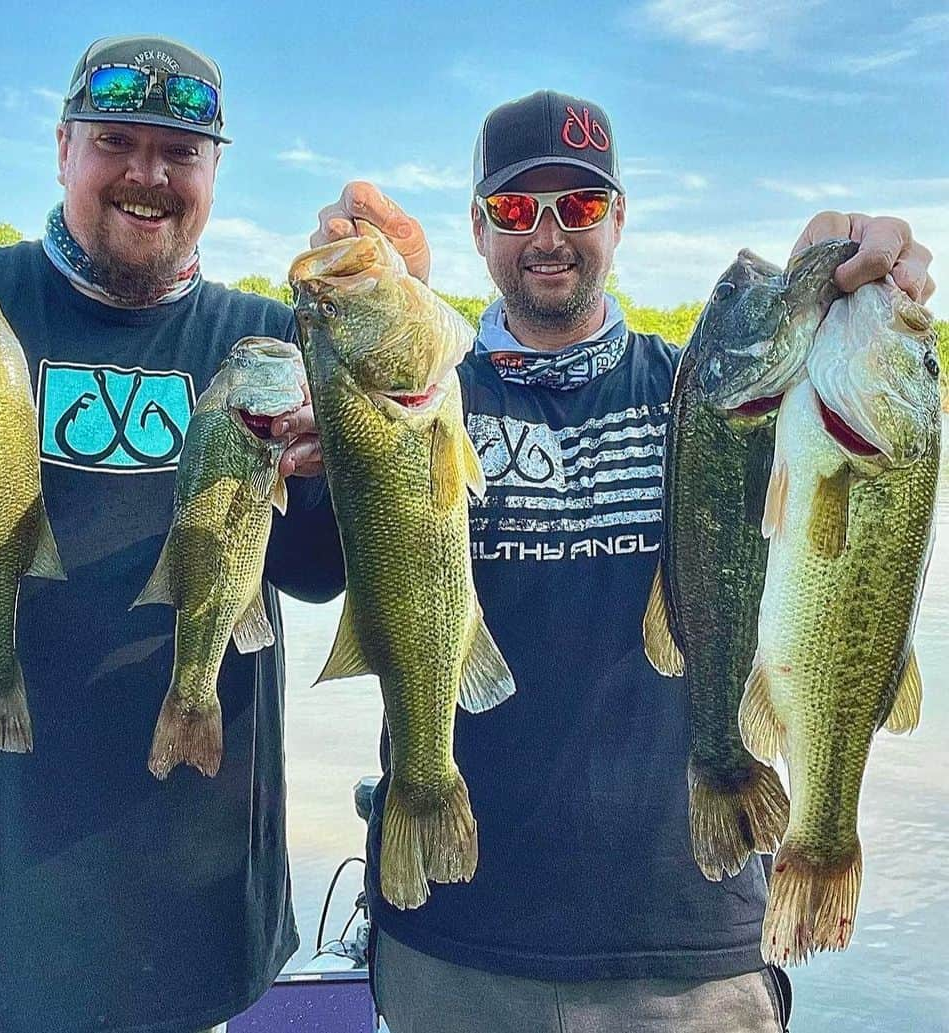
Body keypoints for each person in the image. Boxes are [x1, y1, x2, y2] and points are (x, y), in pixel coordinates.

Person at [308, 90, 936, 1032]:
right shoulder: (413, 396)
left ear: (620, 219)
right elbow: (317, 563)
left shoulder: (709, 399)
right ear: (479, 230)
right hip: (457, 935)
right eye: (518, 211)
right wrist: (343, 314)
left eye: (582, 206)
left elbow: (845, 486)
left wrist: (837, 282)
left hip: (692, 948)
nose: (550, 235)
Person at [0, 35, 346, 1033]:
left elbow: (322, 572)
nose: (147, 175)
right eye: (116, 142)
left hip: (184, 917)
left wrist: (354, 440)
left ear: (215, 170)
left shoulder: (271, 345)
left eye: (180, 151)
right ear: (61, 149)